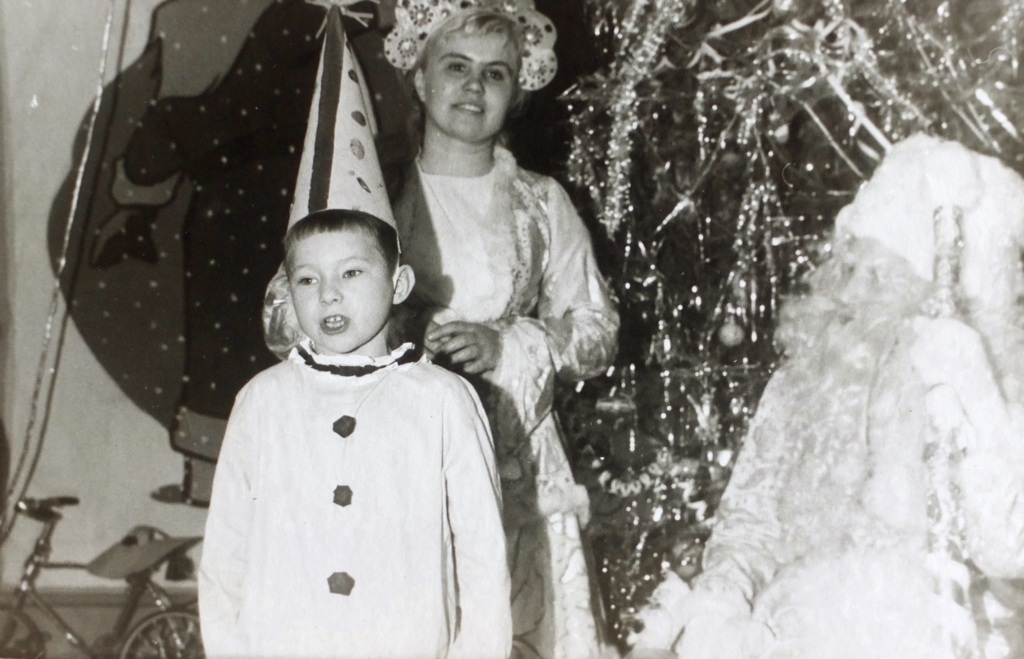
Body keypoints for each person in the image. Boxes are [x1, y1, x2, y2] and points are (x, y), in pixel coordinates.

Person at [262, 2, 620, 656]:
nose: (474, 86)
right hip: (389, 460)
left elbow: (596, 332)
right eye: (456, 67)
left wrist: (509, 345)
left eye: (496, 73)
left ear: (517, 91)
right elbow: (284, 318)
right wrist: (391, 325)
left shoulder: (542, 203)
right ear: (420, 78)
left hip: (514, 468)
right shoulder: (370, 195)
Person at [628, 134, 1024, 658]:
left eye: (879, 277)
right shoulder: (801, 381)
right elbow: (750, 522)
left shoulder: (971, 389)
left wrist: (977, 392)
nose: (851, 292)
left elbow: (1008, 548)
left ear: (925, 298)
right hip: (787, 628)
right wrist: (721, 600)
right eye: (848, 266)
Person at [199, 208, 512, 658]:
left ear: (398, 284)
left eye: (351, 272)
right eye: (307, 279)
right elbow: (225, 551)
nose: (328, 294)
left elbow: (482, 555)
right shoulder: (262, 401)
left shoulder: (443, 399)